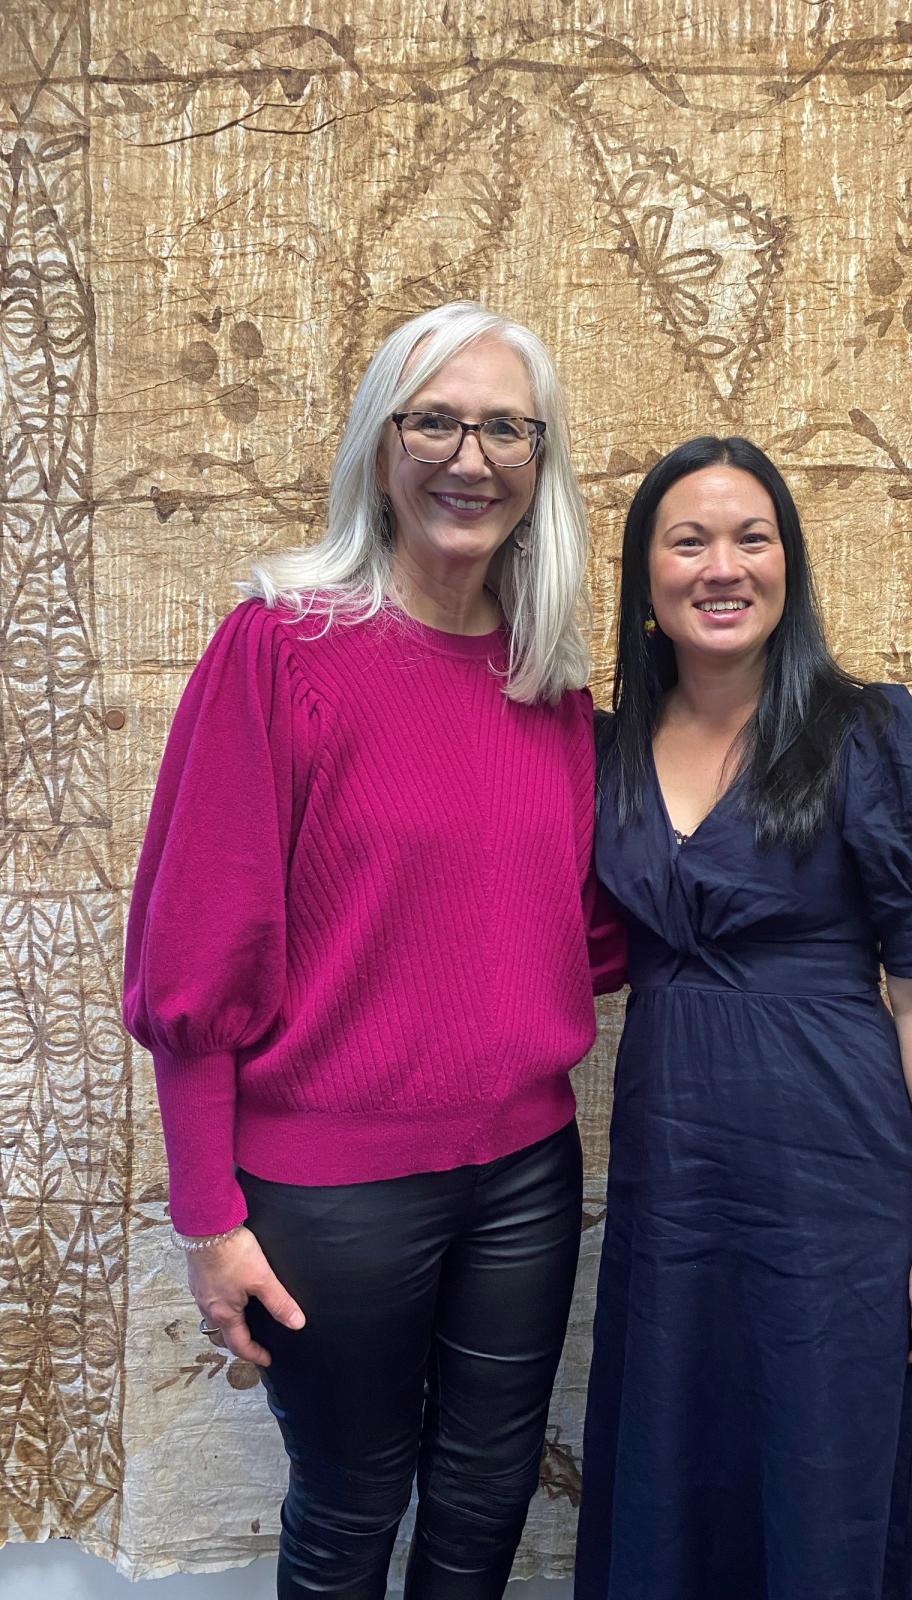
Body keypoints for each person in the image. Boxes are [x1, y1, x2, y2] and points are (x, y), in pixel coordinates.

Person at [123, 300, 624, 1600]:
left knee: (486, 1494)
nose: (470, 457)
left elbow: (571, 927)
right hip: (331, 1196)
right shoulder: (284, 646)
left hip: (525, 1172)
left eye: (503, 427)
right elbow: (193, 963)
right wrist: (207, 1219)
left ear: (540, 458)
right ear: (381, 446)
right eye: (436, 421)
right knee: (350, 1509)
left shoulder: (550, 682)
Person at [575, 435, 912, 1599]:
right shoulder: (605, 751)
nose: (725, 566)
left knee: (830, 1455)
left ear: (788, 565)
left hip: (839, 1181)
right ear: (646, 577)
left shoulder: (869, 736)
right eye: (690, 540)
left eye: (752, 537)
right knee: (683, 1450)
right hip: (674, 1173)